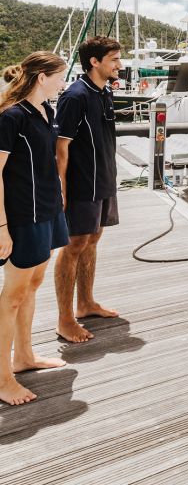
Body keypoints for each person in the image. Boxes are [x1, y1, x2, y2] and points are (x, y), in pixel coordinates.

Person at [0, 53, 69, 405]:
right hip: (23, 217)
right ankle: (2, 379)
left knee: (34, 284)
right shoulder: (12, 117)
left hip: (49, 211)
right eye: (60, 76)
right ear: (42, 77)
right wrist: (2, 227)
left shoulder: (47, 112)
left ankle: (24, 356)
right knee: (11, 296)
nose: (63, 82)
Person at [54, 37, 122, 343]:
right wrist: (62, 190)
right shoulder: (75, 96)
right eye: (114, 59)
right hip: (82, 184)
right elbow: (61, 148)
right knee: (74, 244)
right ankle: (64, 319)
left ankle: (85, 303)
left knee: (93, 239)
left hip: (104, 180)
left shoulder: (104, 91)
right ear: (94, 61)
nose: (119, 65)